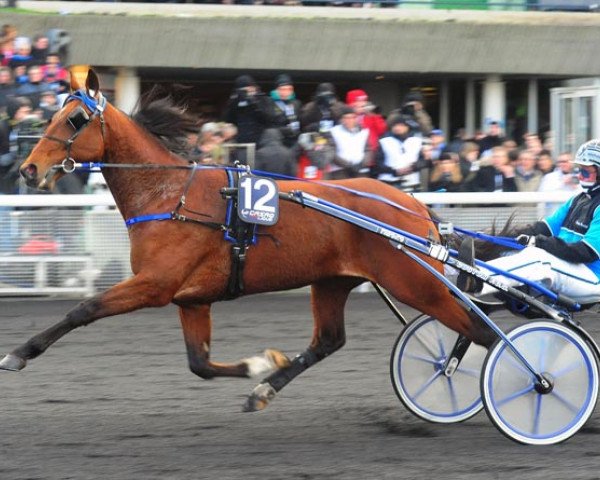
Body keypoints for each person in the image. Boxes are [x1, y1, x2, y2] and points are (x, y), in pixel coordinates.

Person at [467, 139, 600, 304]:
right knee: (512, 251)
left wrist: (540, 243)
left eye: (585, 172)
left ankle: (477, 279)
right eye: (579, 169)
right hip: (570, 268)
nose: (580, 175)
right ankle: (472, 271)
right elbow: (542, 228)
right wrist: (504, 239)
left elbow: (584, 253)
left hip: (592, 277)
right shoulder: (577, 200)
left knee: (539, 258)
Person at [222, 74, 272, 164]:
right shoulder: (236, 101)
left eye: (248, 88)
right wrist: (234, 102)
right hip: (241, 143)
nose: (246, 92)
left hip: (259, 142)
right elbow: (227, 119)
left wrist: (251, 101)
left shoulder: (263, 99)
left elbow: (267, 118)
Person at [373, 114, 423, 192]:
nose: (397, 128)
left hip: (412, 183)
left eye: (401, 125)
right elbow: (378, 164)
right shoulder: (384, 141)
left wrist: (413, 167)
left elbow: (425, 161)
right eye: (395, 125)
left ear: (407, 127)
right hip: (388, 183)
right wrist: (394, 171)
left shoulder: (417, 141)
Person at [328, 106, 370, 180]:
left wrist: (362, 163)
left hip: (360, 170)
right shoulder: (334, 131)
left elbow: (368, 149)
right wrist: (347, 165)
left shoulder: (364, 131)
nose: (350, 120)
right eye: (346, 118)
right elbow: (331, 152)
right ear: (342, 119)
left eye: (352, 117)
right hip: (340, 170)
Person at [268, 74, 302, 150]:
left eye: (289, 89)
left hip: (294, 142)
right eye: (283, 89)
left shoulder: (296, 103)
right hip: (278, 141)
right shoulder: (270, 103)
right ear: (276, 90)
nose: (286, 92)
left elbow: (301, 121)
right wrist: (283, 130)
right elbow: (269, 125)